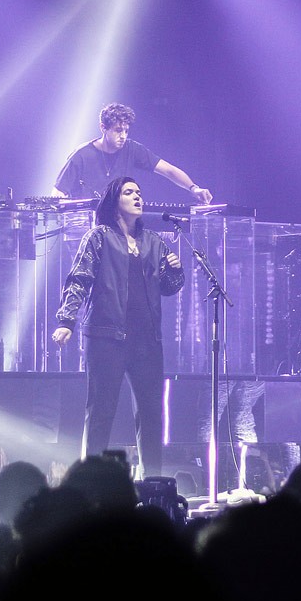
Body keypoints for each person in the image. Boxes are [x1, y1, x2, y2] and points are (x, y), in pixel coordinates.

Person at [52, 176, 185, 478]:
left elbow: (168, 287)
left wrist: (176, 271)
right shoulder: (98, 237)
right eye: (129, 192)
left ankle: (153, 484)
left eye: (139, 191)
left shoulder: (154, 241)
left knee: (152, 416)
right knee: (100, 413)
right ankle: (89, 483)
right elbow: (79, 278)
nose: (138, 197)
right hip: (106, 338)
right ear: (115, 203)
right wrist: (66, 320)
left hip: (147, 341)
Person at [52, 101, 214, 203]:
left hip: (117, 226)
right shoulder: (81, 155)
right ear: (103, 128)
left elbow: (168, 170)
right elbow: (57, 192)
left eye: (126, 131)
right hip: (82, 228)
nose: (123, 136)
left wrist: (194, 188)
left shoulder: (132, 149)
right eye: (118, 130)